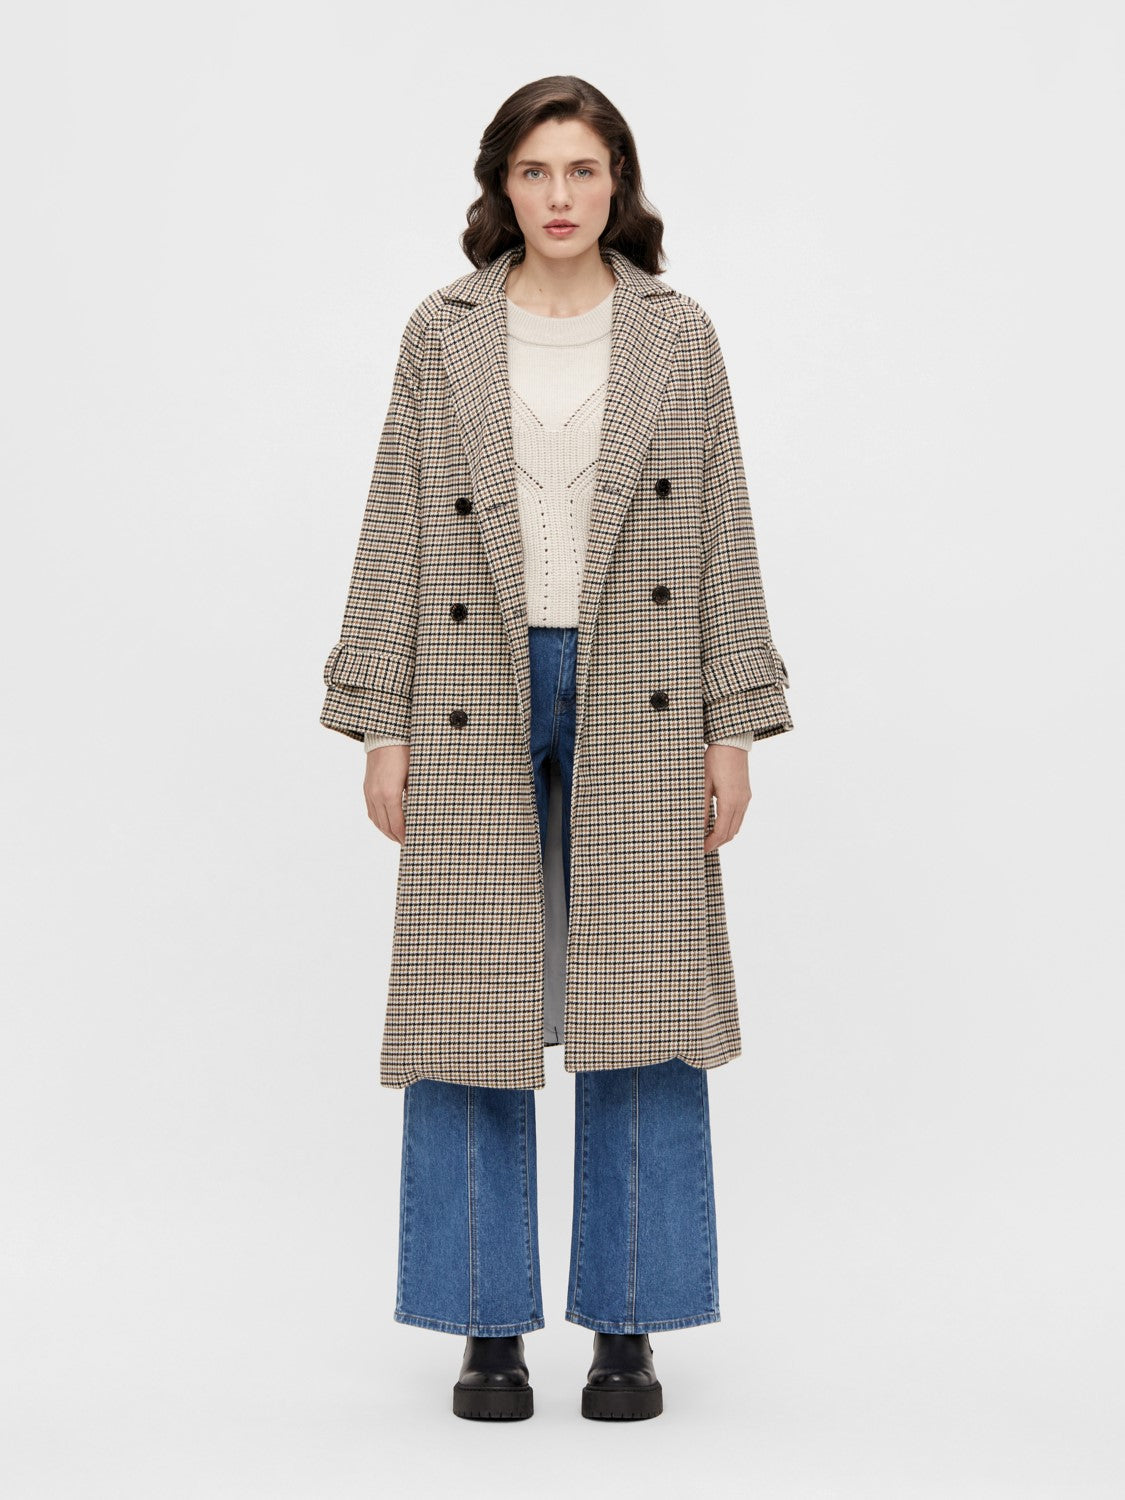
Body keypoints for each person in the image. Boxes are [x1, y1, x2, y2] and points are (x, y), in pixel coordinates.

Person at [319, 75, 794, 1422]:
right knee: (468, 1002)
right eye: (535, 171)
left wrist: (733, 725)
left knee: (641, 999)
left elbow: (722, 525)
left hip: (644, 682)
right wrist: (383, 721)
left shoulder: (675, 331)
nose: (560, 196)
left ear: (618, 181)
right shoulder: (444, 329)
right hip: (469, 677)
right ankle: (486, 1328)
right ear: (502, 187)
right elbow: (398, 517)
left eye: (582, 170)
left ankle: (628, 1327)